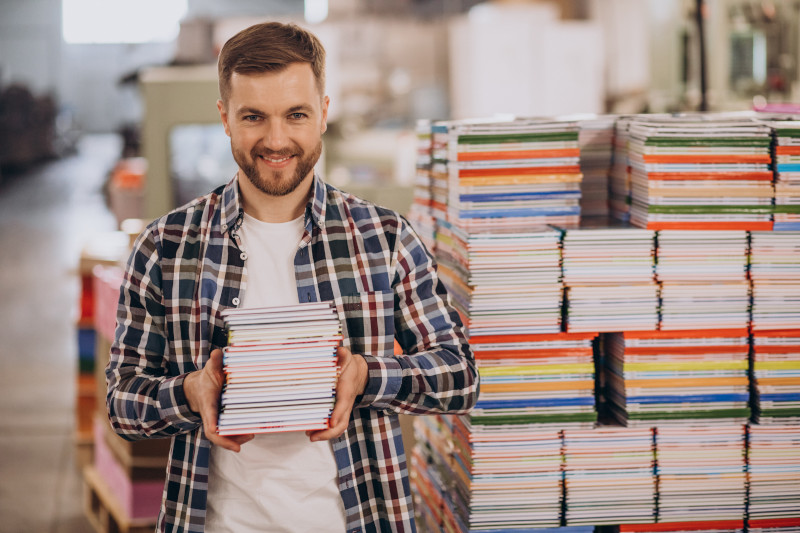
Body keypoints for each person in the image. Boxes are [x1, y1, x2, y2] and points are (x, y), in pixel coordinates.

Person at [106, 21, 479, 533]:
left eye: (296, 115)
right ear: (225, 118)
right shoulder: (166, 246)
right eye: (254, 116)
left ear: (324, 112)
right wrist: (191, 392)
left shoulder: (385, 238)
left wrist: (367, 376)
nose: (276, 139)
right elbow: (123, 402)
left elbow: (460, 377)